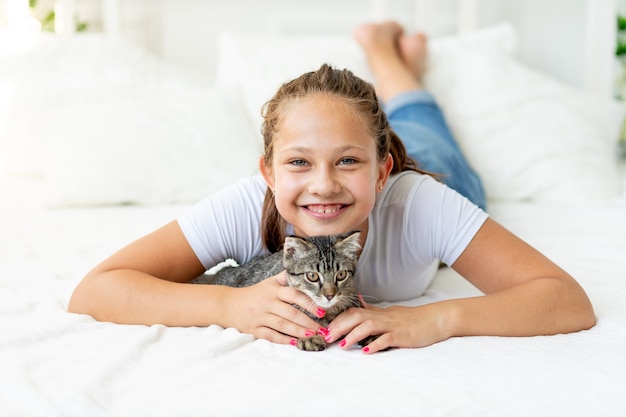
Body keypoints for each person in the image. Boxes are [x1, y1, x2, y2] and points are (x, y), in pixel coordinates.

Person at [68, 22, 595, 354]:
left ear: (382, 171)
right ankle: (389, 73)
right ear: (268, 173)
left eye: (346, 161)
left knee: (429, 132)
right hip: (379, 156)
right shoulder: (249, 204)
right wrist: (228, 307)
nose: (323, 186)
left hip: (436, 168)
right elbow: (96, 289)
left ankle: (386, 52)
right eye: (298, 162)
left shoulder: (422, 202)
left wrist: (435, 318)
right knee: (396, 129)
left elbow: (567, 301)